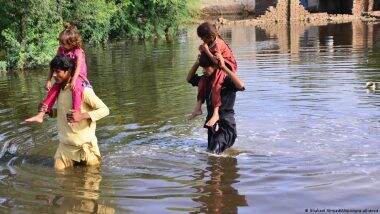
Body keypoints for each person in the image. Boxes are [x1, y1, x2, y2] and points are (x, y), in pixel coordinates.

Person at [31, 55, 109, 170]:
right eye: (53, 71)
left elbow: (105, 110)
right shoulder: (58, 90)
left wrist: (82, 115)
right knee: (60, 177)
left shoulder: (83, 90)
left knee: (91, 179)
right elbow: (62, 112)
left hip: (86, 147)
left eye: (57, 72)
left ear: (68, 71)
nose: (53, 75)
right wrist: (49, 112)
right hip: (65, 148)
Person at [25, 23, 89, 123]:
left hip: (79, 76)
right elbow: (54, 65)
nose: (61, 45)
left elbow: (79, 67)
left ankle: (76, 113)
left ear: (72, 43)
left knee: (76, 87)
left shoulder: (78, 51)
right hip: (65, 75)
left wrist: (74, 80)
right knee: (54, 88)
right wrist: (48, 80)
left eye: (63, 43)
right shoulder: (61, 50)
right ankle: (41, 114)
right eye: (60, 42)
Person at [187, 53, 244, 154]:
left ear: (214, 66)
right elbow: (189, 79)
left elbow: (241, 86)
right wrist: (197, 63)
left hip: (226, 127)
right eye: (202, 68)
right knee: (210, 152)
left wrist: (223, 67)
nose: (203, 71)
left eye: (206, 68)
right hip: (212, 125)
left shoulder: (226, 81)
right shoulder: (204, 81)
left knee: (213, 153)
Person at [189, 22, 237, 129]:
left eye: (203, 38)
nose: (203, 41)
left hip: (226, 67)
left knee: (216, 84)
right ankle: (198, 108)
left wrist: (206, 50)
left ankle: (216, 113)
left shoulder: (218, 44)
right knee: (202, 82)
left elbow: (217, 63)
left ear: (210, 36)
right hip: (216, 66)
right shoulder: (211, 42)